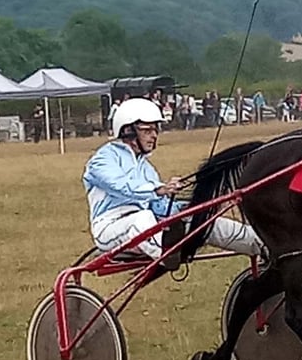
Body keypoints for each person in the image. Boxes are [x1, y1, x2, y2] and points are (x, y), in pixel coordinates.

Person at [82, 98, 264, 271]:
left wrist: (197, 208)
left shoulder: (147, 169)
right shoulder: (102, 159)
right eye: (147, 130)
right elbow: (119, 185)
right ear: (127, 131)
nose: (154, 136)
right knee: (142, 217)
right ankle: (165, 254)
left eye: (155, 130)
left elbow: (160, 207)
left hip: (147, 227)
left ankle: (261, 245)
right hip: (109, 228)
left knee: (204, 222)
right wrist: (158, 189)